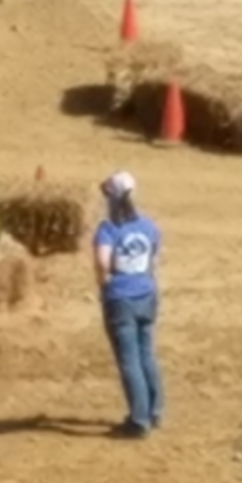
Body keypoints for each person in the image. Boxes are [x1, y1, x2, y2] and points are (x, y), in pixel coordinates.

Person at [91, 171, 164, 439]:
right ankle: (155, 411)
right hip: (147, 295)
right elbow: (153, 261)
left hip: (120, 298)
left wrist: (105, 283)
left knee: (129, 360)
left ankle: (138, 420)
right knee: (146, 354)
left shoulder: (108, 228)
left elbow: (102, 262)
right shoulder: (149, 226)